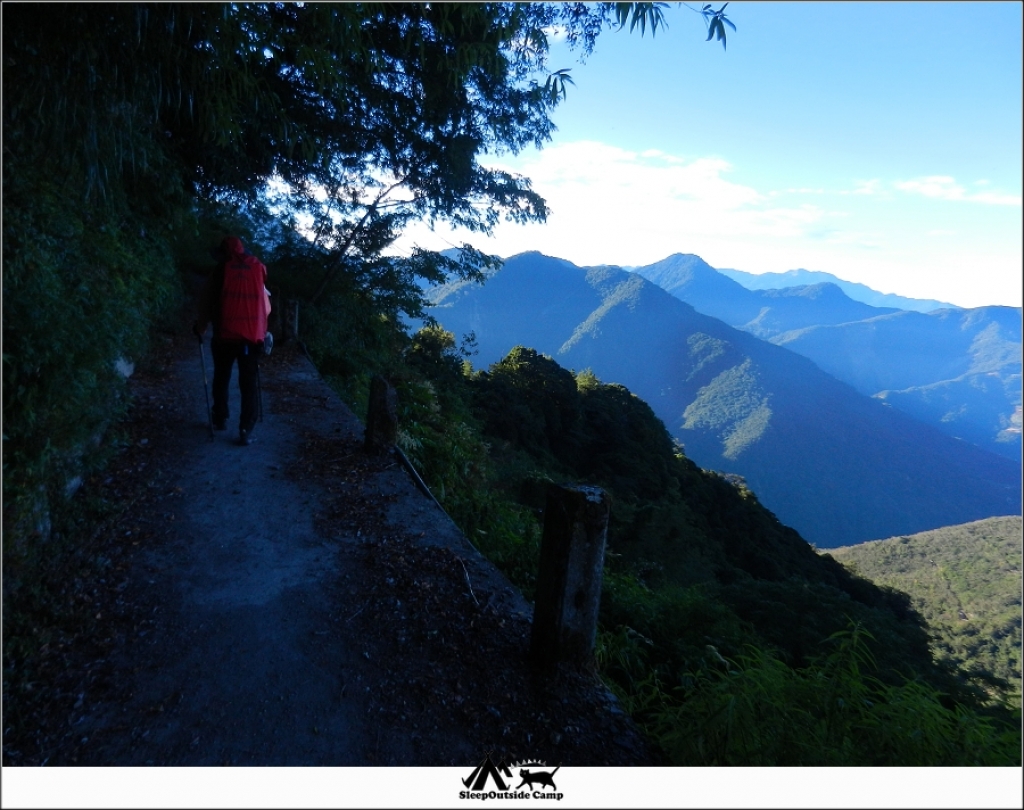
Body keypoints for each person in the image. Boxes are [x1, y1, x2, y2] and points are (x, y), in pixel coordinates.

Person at [194, 235, 269, 446]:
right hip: (251, 339)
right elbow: (264, 304)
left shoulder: (221, 270)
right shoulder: (258, 269)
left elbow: (207, 301)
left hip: (224, 336)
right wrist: (264, 331)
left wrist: (201, 327)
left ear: (225, 252)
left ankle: (220, 418)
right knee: (248, 385)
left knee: (221, 377)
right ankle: (246, 428)